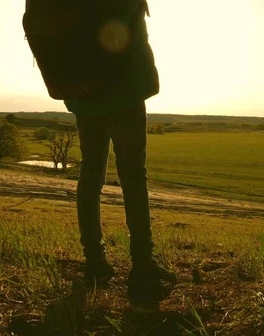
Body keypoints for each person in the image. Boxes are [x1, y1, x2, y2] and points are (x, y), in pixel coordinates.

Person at [27, 0, 176, 303]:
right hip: (123, 91)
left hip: (85, 98)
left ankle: (95, 262)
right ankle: (142, 266)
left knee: (91, 175)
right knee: (133, 177)